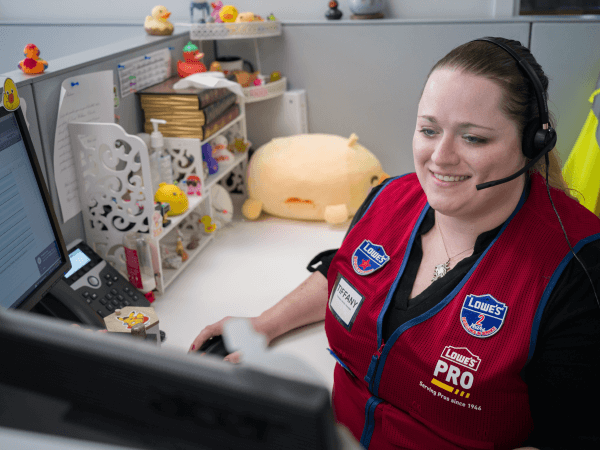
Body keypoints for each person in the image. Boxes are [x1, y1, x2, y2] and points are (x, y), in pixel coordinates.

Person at [190, 37, 600, 449]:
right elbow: (346, 271)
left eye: (473, 138)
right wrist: (263, 325)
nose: (440, 156)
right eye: (429, 130)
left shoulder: (577, 270)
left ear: (532, 145)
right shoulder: (389, 199)